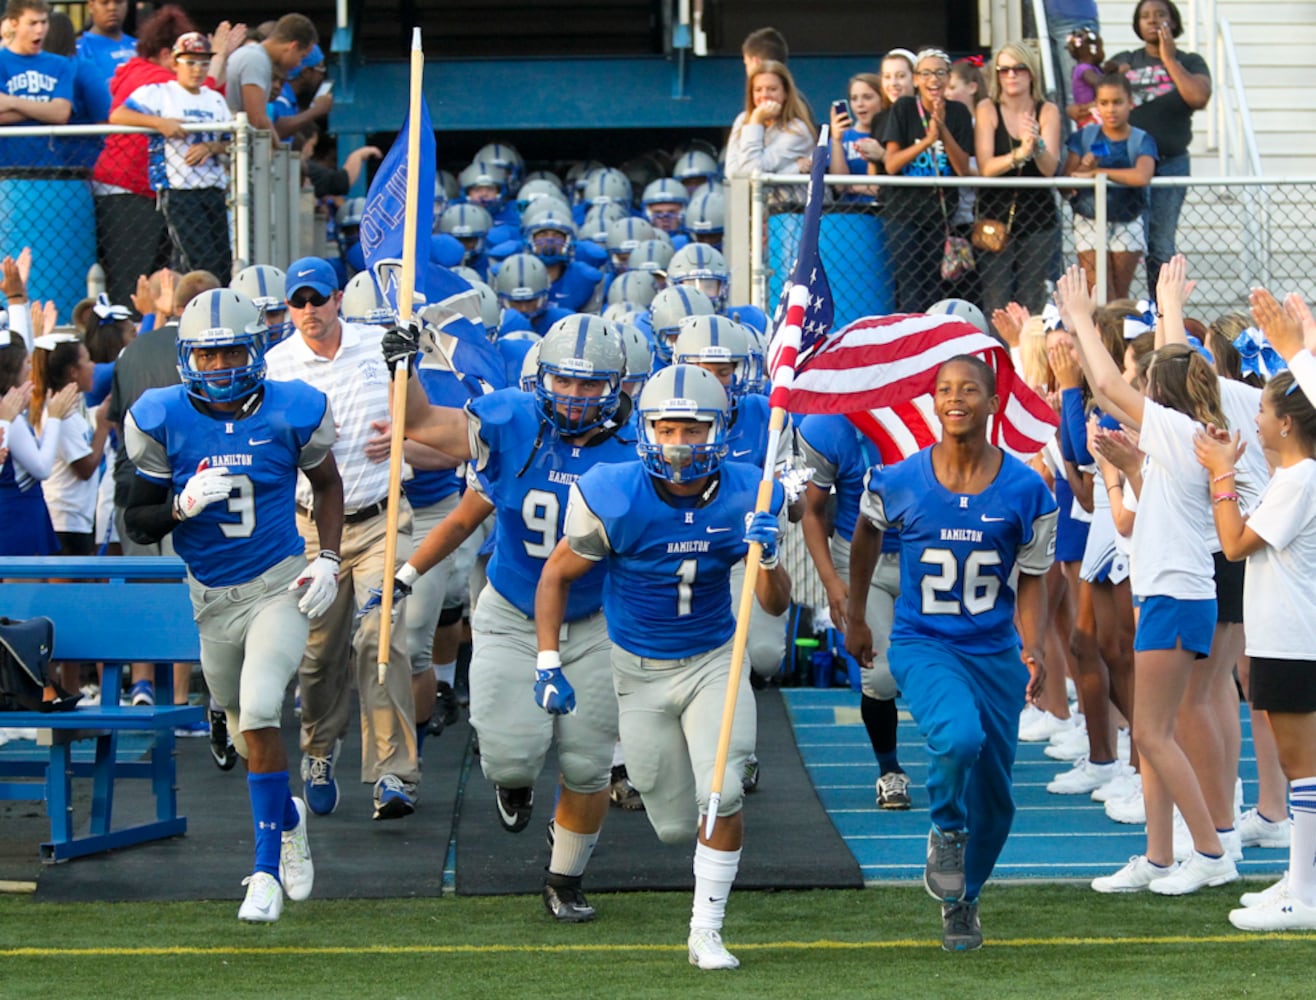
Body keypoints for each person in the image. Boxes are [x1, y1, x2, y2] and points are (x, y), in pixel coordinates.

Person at [536, 363, 790, 968]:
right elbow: (556, 575)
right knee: (676, 825)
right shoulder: (613, 492)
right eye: (667, 430)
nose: (680, 445)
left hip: (713, 662)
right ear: (645, 430)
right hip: (639, 672)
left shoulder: (749, 492)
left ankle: (706, 929)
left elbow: (776, 603)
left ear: (720, 431)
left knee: (722, 792)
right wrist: (548, 660)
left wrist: (770, 554)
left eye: (694, 430)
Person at [384, 314, 635, 923]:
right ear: (541, 379)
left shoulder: (640, 446)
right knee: (510, 756)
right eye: (564, 383)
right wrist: (405, 363)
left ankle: (564, 877)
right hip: (512, 613)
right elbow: (419, 424)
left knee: (587, 763)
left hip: (598, 619)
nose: (574, 398)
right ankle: (514, 781)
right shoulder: (514, 421)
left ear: (619, 386)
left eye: (589, 385)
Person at [122, 287, 342, 922]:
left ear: (256, 350)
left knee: (262, 709)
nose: (219, 367)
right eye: (207, 356)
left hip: (278, 584)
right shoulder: (162, 416)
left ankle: (265, 872)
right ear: (188, 357)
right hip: (211, 599)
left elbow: (327, 484)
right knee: (249, 736)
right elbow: (138, 522)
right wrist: (180, 507)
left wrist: (327, 557)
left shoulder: (291, 409)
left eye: (230, 354)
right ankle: (290, 816)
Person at [845, 354, 1056, 951]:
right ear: (932, 403)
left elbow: (1035, 574)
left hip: (993, 650)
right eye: (944, 389)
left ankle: (964, 901)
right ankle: (944, 826)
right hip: (924, 641)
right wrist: (855, 613)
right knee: (959, 737)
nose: (955, 397)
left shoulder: (1025, 488)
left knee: (998, 800)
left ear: (994, 403)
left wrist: (1033, 645)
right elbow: (865, 533)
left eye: (969, 389)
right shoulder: (901, 478)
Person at [1058, 264, 1239, 897]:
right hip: (1172, 592)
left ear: (1159, 397)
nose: (1129, 390)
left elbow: (1106, 382)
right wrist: (1126, 470)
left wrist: (1080, 315)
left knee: (1155, 734)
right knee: (1154, 730)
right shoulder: (1178, 439)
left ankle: (1211, 851)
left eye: (1144, 385)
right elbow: (1143, 518)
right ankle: (1160, 856)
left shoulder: (1179, 429)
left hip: (1175, 595)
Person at [263, 256, 421, 823]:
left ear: (336, 299)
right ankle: (318, 751)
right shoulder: (277, 365)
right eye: (297, 302)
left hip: (383, 513)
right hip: (311, 523)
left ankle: (393, 774)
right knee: (318, 653)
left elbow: (422, 419)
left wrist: (401, 436)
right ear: (287, 309)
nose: (308, 311)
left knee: (380, 640)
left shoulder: (381, 346)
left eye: (317, 299)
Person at [797, 411, 909, 808]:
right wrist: (831, 580)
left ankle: (961, 759)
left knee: (945, 664)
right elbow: (812, 510)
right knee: (879, 676)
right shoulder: (829, 426)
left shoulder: (927, 408)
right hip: (862, 558)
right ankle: (890, 771)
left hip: (927, 552)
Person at [91, 4, 201, 309]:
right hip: (127, 190)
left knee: (156, 277)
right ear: (167, 55)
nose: (195, 70)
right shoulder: (151, 76)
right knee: (131, 282)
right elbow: (201, 96)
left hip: (145, 188)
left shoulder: (145, 72)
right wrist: (219, 59)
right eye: (188, 60)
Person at [111, 31, 233, 282]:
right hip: (179, 187)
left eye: (203, 63)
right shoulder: (159, 92)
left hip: (213, 186)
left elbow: (232, 141)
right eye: (190, 62)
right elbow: (119, 114)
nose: (197, 70)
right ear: (175, 62)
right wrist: (159, 123)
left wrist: (210, 148)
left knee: (221, 258)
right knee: (200, 259)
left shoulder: (215, 99)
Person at [1109, 0, 1211, 292]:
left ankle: (1162, 312)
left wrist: (1169, 59)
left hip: (1170, 163)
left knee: (1161, 244)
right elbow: (1098, 96)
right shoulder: (1125, 60)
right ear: (1137, 25)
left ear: (1174, 22)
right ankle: (1119, 317)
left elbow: (1198, 97)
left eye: (1160, 15)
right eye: (1145, 16)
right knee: (1122, 241)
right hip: (1126, 164)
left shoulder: (1190, 61)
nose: (1152, 20)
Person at [880, 48, 976, 313]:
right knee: (909, 285)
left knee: (936, 286)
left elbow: (962, 168)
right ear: (916, 80)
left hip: (940, 215)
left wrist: (942, 131)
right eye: (926, 73)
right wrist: (927, 141)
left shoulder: (958, 113)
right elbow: (891, 164)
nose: (933, 79)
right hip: (903, 212)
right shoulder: (904, 107)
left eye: (940, 73)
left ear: (947, 78)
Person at [975, 42, 1062, 323]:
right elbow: (986, 167)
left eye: (1018, 69)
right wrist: (1018, 154)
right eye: (1004, 70)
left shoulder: (1047, 110)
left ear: (1031, 73)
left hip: (1038, 216)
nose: (1011, 75)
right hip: (994, 216)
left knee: (1031, 299)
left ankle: (1029, 362)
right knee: (996, 298)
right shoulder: (987, 108)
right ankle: (997, 362)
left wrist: (1035, 146)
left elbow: (1049, 169)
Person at [1063, 73, 1157, 301]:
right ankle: (1099, 335)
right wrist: (1085, 168)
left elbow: (1142, 175)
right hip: (1089, 218)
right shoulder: (1084, 137)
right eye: (1103, 103)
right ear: (1095, 105)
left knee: (1118, 294)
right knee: (1097, 290)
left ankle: (1117, 335)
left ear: (1130, 103)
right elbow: (1066, 182)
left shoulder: (1141, 139)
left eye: (1118, 102)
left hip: (1128, 218)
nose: (1111, 109)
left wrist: (1099, 173)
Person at [0, 326, 79, 556]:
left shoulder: (9, 411)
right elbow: (42, 468)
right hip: (16, 515)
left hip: (18, 511)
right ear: (11, 369)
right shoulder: (8, 414)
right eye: (26, 362)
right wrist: (54, 417)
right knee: (23, 591)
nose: (29, 369)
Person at [0, 0, 73, 169]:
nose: (40, 30)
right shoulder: (1, 61)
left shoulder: (60, 64)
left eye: (44, 22)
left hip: (51, 167)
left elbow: (61, 114)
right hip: (5, 169)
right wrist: (46, 108)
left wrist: (12, 102)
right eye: (32, 23)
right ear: (14, 23)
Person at [222, 13, 316, 134]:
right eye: (301, 56)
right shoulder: (255, 59)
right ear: (293, 46)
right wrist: (276, 147)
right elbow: (256, 119)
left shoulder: (260, 58)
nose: (299, 64)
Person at [725, 60, 815, 179]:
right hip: (752, 197)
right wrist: (794, 169)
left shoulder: (798, 130)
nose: (764, 95)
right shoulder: (742, 120)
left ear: (786, 93)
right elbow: (732, 173)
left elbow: (751, 170)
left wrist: (756, 121)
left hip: (791, 197)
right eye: (758, 90)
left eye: (772, 89)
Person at [828, 72, 883, 204]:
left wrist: (854, 186)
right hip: (851, 213)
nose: (860, 104)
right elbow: (840, 186)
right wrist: (836, 140)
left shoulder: (890, 133)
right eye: (854, 98)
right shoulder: (843, 137)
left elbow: (884, 188)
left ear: (882, 99)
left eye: (867, 97)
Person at [1065, 26, 1105, 127]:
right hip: (1089, 115)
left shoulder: (1089, 68)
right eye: (1100, 48)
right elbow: (1098, 82)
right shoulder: (1084, 69)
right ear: (1092, 51)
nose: (1102, 52)